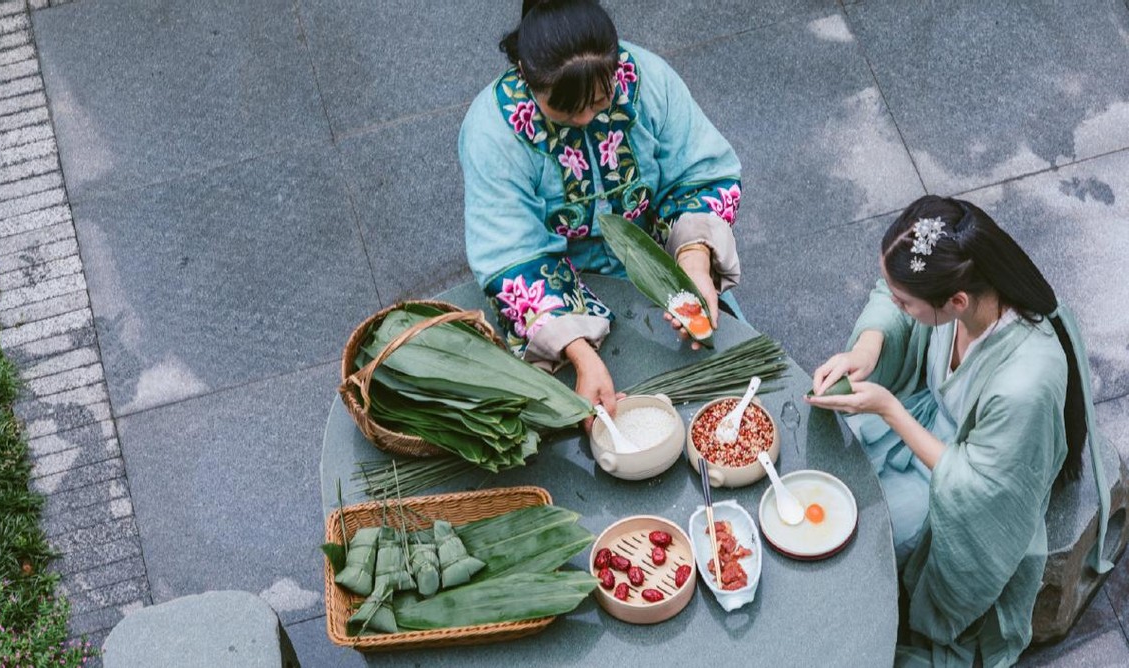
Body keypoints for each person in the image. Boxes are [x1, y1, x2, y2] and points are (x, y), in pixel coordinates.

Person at [807, 195, 1112, 666]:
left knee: (872, 531)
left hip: (955, 467)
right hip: (927, 422)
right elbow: (884, 297)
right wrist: (868, 350)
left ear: (956, 301)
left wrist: (890, 410)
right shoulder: (960, 293)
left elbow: (983, 490)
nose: (894, 304)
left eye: (905, 302)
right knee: (834, 475)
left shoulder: (1024, 381)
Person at [459, 0, 744, 422]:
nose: (588, 118)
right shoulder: (493, 132)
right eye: (568, 110)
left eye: (599, 100)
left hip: (658, 268)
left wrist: (694, 264)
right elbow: (511, 254)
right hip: (557, 299)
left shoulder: (647, 80)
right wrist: (579, 352)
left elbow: (701, 175)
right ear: (528, 75)